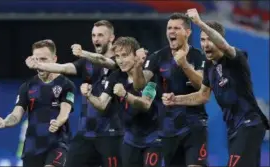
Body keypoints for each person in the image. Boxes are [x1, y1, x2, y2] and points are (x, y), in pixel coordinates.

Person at [162, 8, 270, 167]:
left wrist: (199, 23)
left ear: (218, 40)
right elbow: (202, 96)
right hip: (233, 129)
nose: (205, 44)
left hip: (249, 123)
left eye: (209, 39)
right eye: (202, 40)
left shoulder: (235, 58)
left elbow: (225, 46)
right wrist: (175, 99)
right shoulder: (209, 68)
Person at [25, 20, 123, 167]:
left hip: (111, 135)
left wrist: (83, 52)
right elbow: (64, 68)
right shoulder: (86, 63)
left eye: (100, 35)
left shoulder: (120, 61)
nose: (96, 39)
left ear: (111, 38)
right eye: (93, 35)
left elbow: (104, 61)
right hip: (85, 135)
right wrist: (39, 65)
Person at [133, 13, 208, 167]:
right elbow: (139, 85)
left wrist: (184, 64)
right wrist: (137, 65)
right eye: (169, 28)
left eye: (176, 28)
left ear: (187, 32)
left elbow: (201, 85)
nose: (171, 31)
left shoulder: (198, 57)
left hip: (194, 125)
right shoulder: (157, 57)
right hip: (168, 128)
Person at [0, 39, 76, 167]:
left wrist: (58, 122)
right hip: (32, 147)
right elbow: (16, 115)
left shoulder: (66, 85)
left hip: (57, 144)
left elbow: (65, 112)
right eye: (36, 59)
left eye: (43, 59)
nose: (39, 63)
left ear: (54, 59)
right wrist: (5, 122)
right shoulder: (27, 86)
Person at [81, 37, 162, 167]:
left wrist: (125, 95)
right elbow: (102, 104)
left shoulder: (149, 74)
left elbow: (146, 105)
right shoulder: (115, 76)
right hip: (130, 139)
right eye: (117, 56)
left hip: (153, 138)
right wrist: (89, 95)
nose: (120, 60)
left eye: (124, 55)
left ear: (136, 55)